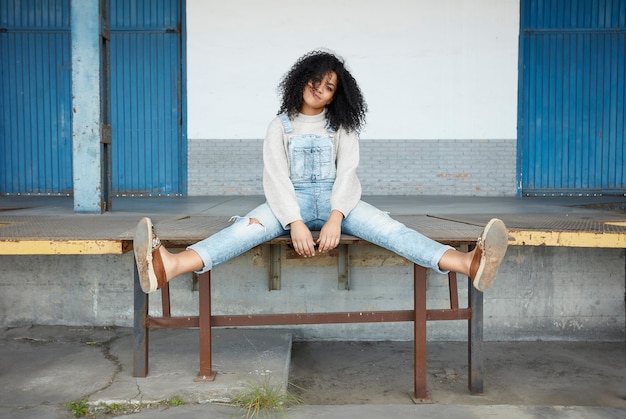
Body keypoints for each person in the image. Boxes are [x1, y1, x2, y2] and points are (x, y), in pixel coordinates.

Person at [134, 50, 508, 294]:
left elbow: (348, 174)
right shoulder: (279, 125)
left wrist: (335, 217)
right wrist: (295, 222)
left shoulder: (341, 126)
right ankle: (170, 264)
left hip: (338, 203)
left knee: (392, 230)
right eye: (316, 80)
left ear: (335, 97)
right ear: (302, 80)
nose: (320, 89)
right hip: (287, 204)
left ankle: (467, 263)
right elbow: (275, 179)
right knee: (241, 230)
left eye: (329, 87)